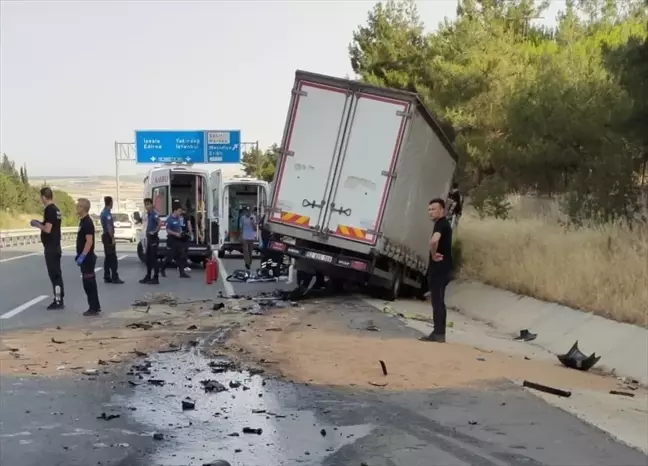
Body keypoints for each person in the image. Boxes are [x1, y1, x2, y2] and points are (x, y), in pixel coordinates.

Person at [420, 198, 453, 343]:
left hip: (440, 268)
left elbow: (434, 241)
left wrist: (433, 254)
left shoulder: (441, 224)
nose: (431, 212)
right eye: (429, 209)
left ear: (442, 210)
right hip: (442, 269)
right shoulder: (442, 224)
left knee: (437, 300)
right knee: (437, 300)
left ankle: (439, 333)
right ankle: (438, 332)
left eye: (434, 209)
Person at [30, 187, 65, 310]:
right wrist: (41, 223)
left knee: (54, 275)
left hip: (51, 247)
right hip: (55, 246)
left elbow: (48, 229)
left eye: (41, 197)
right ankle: (59, 298)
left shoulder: (50, 210)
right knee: (57, 274)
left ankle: (58, 300)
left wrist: (37, 224)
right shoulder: (57, 210)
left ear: (44, 197)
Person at [75, 198, 102, 316]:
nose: (77, 207)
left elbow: (89, 241)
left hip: (87, 258)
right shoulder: (82, 221)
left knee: (89, 283)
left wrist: (83, 255)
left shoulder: (87, 222)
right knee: (87, 283)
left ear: (84, 208)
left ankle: (94, 307)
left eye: (79, 206)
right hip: (85, 257)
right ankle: (94, 306)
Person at [161, 203, 190, 278]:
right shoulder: (169, 220)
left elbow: (179, 228)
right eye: (179, 211)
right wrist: (176, 234)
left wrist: (181, 233)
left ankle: (182, 273)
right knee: (170, 257)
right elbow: (168, 230)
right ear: (175, 211)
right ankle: (162, 269)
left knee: (181, 255)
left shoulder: (178, 219)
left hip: (178, 239)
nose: (180, 213)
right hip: (172, 239)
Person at [100, 196, 123, 284]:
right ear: (110, 202)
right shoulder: (107, 214)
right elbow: (109, 227)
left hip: (104, 236)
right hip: (108, 236)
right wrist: (112, 238)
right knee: (113, 258)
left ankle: (106, 276)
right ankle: (114, 277)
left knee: (108, 257)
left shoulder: (102, 212)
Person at [140, 198, 161, 285]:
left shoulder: (153, 214)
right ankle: (148, 276)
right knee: (148, 259)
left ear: (152, 205)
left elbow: (159, 223)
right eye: (145, 204)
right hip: (148, 238)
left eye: (148, 204)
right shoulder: (148, 214)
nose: (147, 206)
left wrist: (155, 231)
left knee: (154, 259)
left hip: (153, 238)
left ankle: (156, 278)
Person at [239, 206, 257, 270]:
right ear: (245, 212)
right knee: (245, 250)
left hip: (251, 237)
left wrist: (252, 223)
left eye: (249, 211)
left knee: (250, 251)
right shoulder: (242, 218)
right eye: (246, 211)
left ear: (250, 212)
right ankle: (247, 262)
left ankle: (249, 263)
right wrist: (241, 236)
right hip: (245, 237)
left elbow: (255, 229)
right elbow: (241, 228)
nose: (248, 213)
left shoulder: (253, 217)